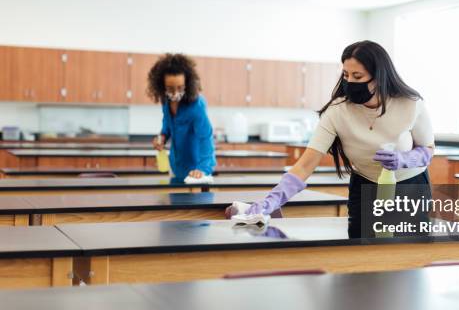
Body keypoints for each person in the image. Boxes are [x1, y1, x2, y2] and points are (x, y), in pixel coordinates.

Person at [230, 40, 435, 238]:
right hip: (365, 184)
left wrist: (405, 160)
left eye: (358, 76)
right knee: (361, 251)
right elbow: (305, 165)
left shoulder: (410, 104)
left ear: (379, 76)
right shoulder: (338, 110)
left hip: (410, 185)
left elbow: (428, 149)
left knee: (407, 250)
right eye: (346, 75)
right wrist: (270, 202)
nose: (350, 82)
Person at [148, 53, 216, 180]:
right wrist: (162, 137)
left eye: (180, 88)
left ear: (187, 84)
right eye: (170, 88)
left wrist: (202, 169)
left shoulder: (196, 106)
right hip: (175, 167)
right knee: (174, 199)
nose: (175, 93)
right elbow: (167, 126)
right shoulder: (165, 102)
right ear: (162, 86)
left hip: (196, 172)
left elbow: (205, 138)